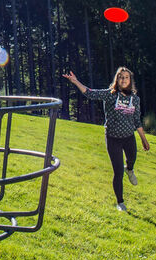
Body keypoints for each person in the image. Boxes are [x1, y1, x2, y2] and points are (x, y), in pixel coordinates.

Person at [64, 67, 150, 212]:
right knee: (117, 172)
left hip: (129, 137)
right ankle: (120, 202)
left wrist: (144, 140)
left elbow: (137, 121)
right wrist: (75, 81)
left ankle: (129, 169)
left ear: (130, 80)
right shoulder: (110, 94)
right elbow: (89, 93)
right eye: (121, 77)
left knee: (131, 159)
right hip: (112, 139)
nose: (123, 79)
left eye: (126, 77)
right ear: (117, 79)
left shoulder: (135, 99)